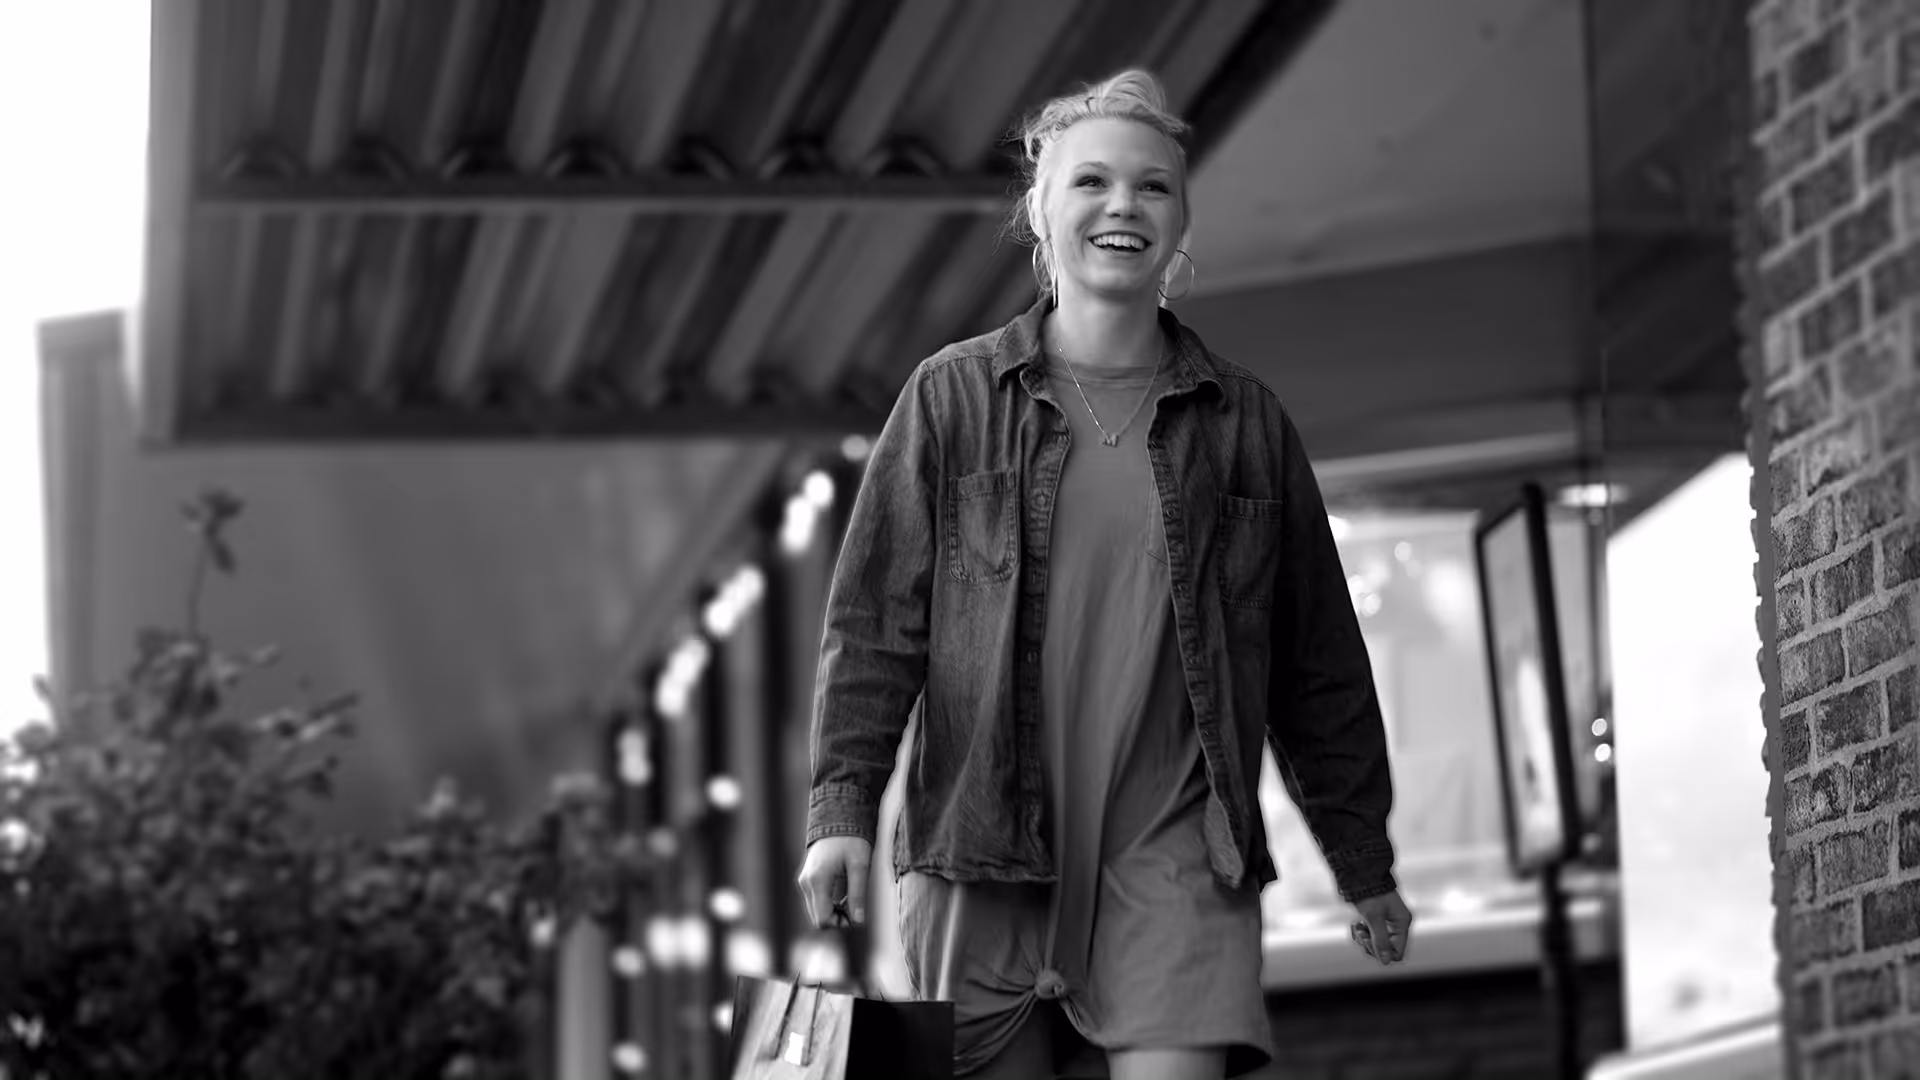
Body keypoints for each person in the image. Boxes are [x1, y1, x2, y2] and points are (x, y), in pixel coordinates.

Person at [796, 69, 1413, 1080]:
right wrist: (842, 815)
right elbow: (874, 626)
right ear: (1040, 210)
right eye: (1091, 182)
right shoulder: (952, 400)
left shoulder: (1245, 424)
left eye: (1153, 187)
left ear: (1180, 220)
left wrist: (1363, 860)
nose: (1123, 205)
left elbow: (1317, 662)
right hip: (980, 854)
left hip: (1176, 858)